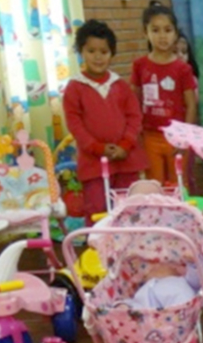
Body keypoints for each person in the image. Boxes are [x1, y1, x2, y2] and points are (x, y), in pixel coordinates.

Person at [63, 20, 147, 222]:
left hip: (126, 160)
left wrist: (125, 145)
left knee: (128, 208)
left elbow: (135, 117)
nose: (98, 57)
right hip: (93, 164)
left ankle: (129, 248)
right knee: (96, 209)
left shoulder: (120, 85)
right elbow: (75, 124)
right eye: (91, 51)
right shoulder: (75, 87)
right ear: (81, 52)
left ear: (112, 54)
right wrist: (96, 147)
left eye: (104, 51)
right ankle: (98, 250)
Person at [130, 1, 197, 186]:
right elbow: (133, 101)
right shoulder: (139, 65)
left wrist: (185, 137)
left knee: (178, 188)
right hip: (150, 136)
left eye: (167, 30)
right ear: (146, 32)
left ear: (175, 33)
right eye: (155, 30)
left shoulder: (183, 68)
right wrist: (137, 134)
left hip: (177, 137)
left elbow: (191, 104)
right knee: (154, 188)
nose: (162, 36)